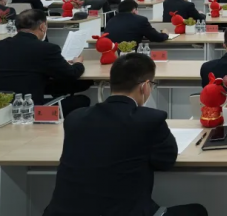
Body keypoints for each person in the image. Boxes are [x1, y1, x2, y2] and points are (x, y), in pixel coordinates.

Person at [43, 54, 208, 216]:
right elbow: (166, 161)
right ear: (145, 86)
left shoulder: (75, 118)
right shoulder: (149, 120)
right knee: (197, 211)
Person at [0, 9, 89, 116]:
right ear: (42, 27)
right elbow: (71, 74)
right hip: (26, 110)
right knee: (82, 100)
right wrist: (78, 63)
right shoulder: (47, 49)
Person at [105, 0, 169, 45]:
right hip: (131, 54)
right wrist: (165, 34)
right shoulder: (141, 20)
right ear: (134, 10)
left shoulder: (111, 21)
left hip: (113, 53)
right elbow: (156, 37)